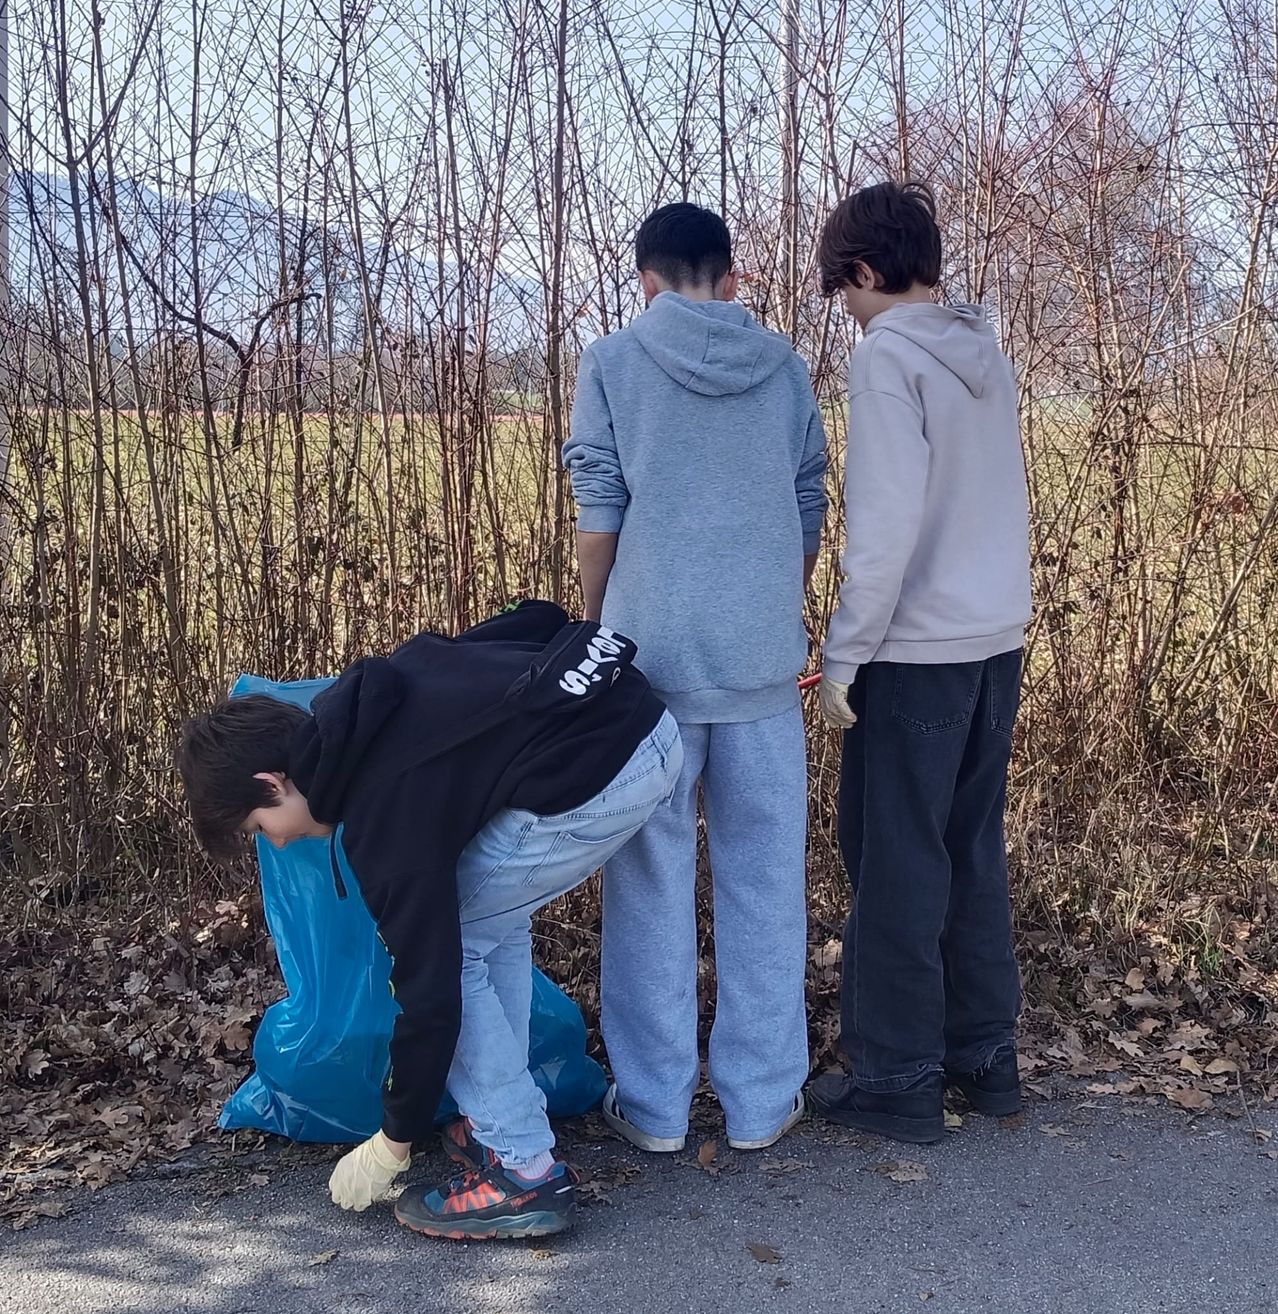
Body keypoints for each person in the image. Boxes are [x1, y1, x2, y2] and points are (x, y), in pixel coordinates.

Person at [177, 601, 681, 1238]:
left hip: (612, 768)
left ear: (271, 783)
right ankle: (505, 1121)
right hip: (638, 722)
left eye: (259, 827)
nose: (276, 844)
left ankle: (524, 1172)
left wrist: (395, 1136)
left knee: (457, 951)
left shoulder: (386, 819)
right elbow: (534, 619)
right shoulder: (369, 707)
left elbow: (430, 995)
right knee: (486, 920)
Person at [563, 202, 828, 1152]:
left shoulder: (613, 364)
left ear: (645, 279)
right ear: (730, 274)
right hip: (760, 668)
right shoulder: (786, 366)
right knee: (766, 885)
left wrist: (597, 619)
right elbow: (809, 503)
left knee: (647, 887)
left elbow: (600, 510)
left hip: (650, 676)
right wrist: (767, 601)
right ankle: (761, 1106)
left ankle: (654, 1109)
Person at [806, 181, 1032, 1144]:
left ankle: (898, 1079)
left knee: (895, 859)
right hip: (996, 644)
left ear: (862, 272)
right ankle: (986, 1061)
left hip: (916, 651)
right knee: (969, 848)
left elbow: (886, 528)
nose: (846, 312)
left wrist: (844, 657)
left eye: (841, 291)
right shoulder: (987, 347)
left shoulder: (887, 359)